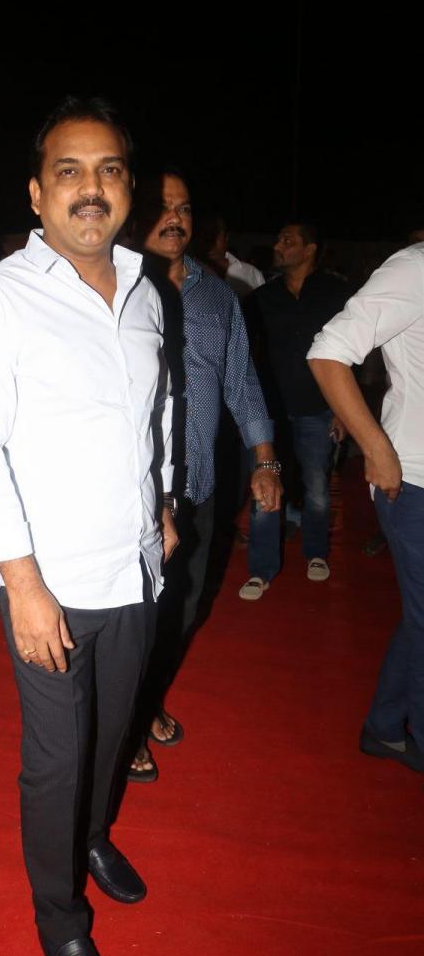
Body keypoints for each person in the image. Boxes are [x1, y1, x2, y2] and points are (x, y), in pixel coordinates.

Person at [0, 97, 176, 956]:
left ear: (129, 188)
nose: (91, 188)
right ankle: (60, 918)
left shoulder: (146, 290)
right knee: (55, 758)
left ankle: (89, 837)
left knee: (113, 732)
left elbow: (157, 411)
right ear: (37, 194)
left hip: (134, 566)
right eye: (69, 172)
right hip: (48, 581)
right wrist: (22, 583)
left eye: (108, 169)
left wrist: (163, 500)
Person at [127, 173, 280, 780]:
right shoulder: (114, 284)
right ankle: (128, 721)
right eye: (162, 208)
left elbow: (241, 381)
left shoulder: (219, 295)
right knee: (135, 612)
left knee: (185, 605)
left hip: (200, 483)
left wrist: (266, 460)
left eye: (184, 208)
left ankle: (145, 700)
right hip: (134, 489)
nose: (175, 219)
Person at [308, 242, 424, 775]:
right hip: (414, 482)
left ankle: (384, 726)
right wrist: (376, 449)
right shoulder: (416, 268)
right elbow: (328, 352)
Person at [240, 222, 349, 600]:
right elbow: (243, 355)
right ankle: (261, 570)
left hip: (318, 409)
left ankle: (316, 552)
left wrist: (343, 409)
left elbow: (350, 355)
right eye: (278, 238)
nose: (278, 245)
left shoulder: (336, 293)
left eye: (288, 240)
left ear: (310, 249)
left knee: (317, 488)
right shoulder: (262, 297)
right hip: (268, 412)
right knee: (265, 489)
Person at [193, 212, 265, 299]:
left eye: (215, 234)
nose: (210, 241)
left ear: (226, 237)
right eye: (204, 235)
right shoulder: (186, 273)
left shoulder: (251, 273)